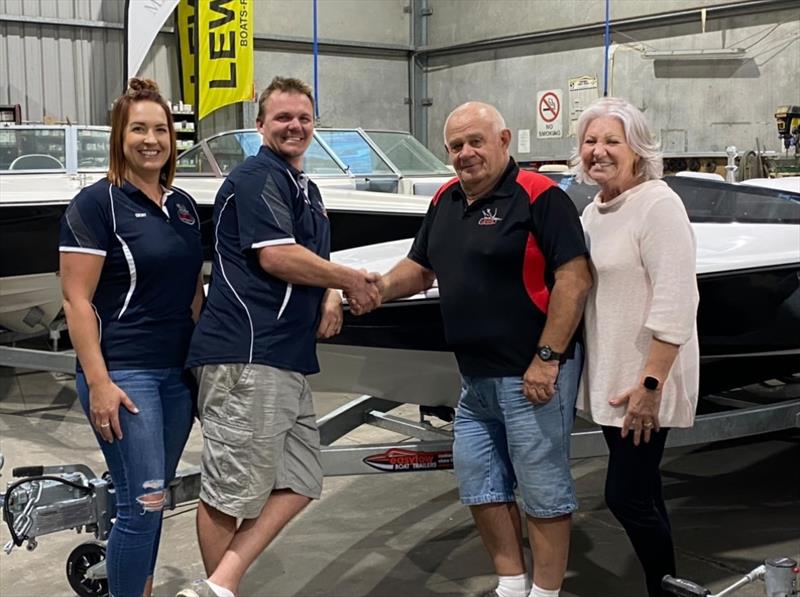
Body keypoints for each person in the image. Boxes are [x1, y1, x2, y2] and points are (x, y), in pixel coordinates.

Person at [372, 102, 592, 597]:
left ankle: (546, 592)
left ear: (504, 140)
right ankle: (512, 585)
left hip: (531, 375)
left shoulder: (540, 197)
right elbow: (420, 267)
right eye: (455, 146)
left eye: (476, 141)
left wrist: (547, 357)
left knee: (543, 490)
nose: (466, 154)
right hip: (474, 379)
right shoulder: (446, 199)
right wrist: (375, 290)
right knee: (481, 483)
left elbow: (574, 280)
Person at [176, 76, 380, 597]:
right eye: (283, 117)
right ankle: (220, 591)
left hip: (285, 358)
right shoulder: (256, 176)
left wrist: (332, 291)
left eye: (304, 118)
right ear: (261, 125)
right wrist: (350, 281)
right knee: (229, 494)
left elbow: (310, 256)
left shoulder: (305, 188)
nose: (295, 126)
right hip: (247, 355)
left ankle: (221, 584)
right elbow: (276, 255)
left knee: (302, 478)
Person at [59, 78, 204, 597]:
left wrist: (203, 367)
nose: (151, 139)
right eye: (138, 129)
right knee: (140, 502)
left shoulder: (184, 206)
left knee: (154, 500)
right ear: (120, 137)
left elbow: (193, 294)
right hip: (124, 373)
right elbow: (76, 300)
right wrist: (98, 382)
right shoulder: (97, 205)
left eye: (160, 129)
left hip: (176, 374)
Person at [574, 96, 700, 597]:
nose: (598, 151)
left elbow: (677, 299)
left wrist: (650, 383)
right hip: (614, 378)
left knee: (625, 497)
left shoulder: (658, 204)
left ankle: (665, 590)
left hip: (645, 381)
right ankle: (666, 588)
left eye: (611, 141)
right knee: (644, 494)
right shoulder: (595, 211)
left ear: (638, 150)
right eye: (589, 141)